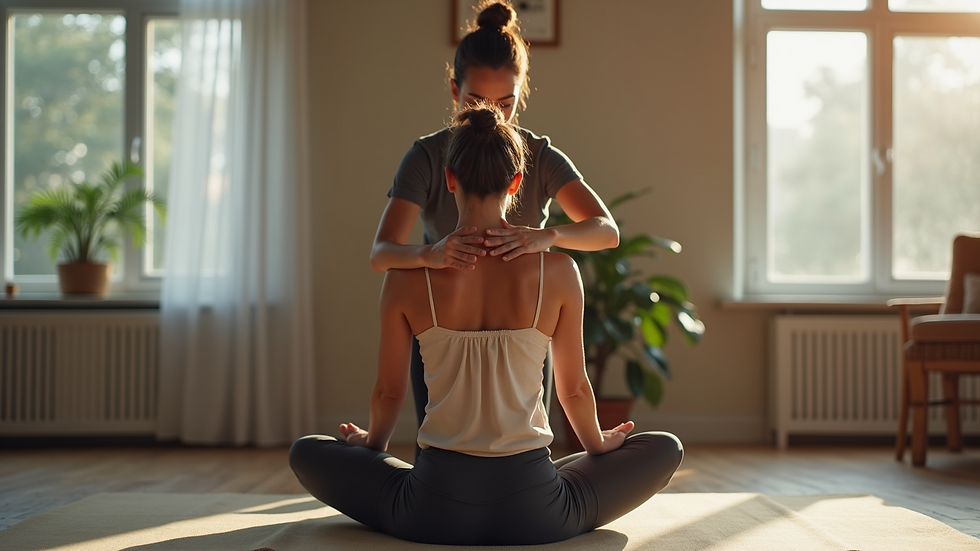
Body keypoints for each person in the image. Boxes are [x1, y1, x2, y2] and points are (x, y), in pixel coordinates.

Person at [289, 103, 683, 546]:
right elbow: (573, 390)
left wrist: (371, 445)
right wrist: (598, 445)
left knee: (306, 451)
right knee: (665, 446)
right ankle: (543, 482)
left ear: (449, 179)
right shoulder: (558, 273)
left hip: (430, 512)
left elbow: (389, 392)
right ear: (516, 182)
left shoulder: (406, 279)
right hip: (538, 513)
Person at [370, 1, 620, 447]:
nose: (495, 116)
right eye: (477, 103)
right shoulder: (426, 157)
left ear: (521, 92)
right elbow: (382, 253)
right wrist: (431, 254)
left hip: (524, 327)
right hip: (442, 321)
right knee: (446, 440)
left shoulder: (539, 155)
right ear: (454, 90)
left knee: (518, 441)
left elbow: (606, 230)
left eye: (506, 103)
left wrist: (547, 236)